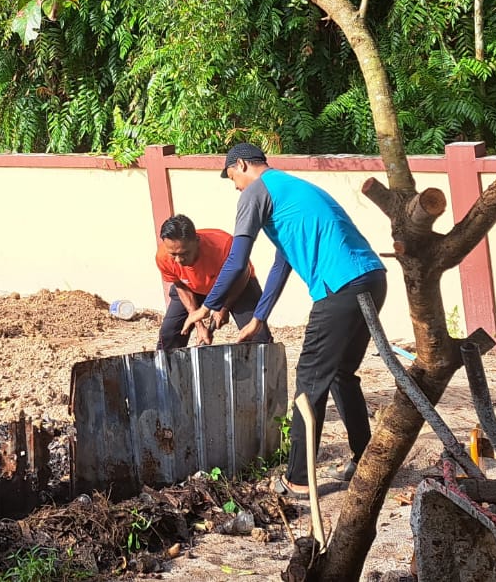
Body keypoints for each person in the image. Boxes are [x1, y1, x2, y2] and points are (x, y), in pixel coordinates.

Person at [182, 142, 388, 492]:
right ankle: (365, 458)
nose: (234, 185)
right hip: (371, 277)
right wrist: (259, 316)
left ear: (243, 165)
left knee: (310, 378)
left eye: (232, 176)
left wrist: (207, 304)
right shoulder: (292, 190)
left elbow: (236, 259)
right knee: (340, 374)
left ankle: (297, 479)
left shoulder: (256, 192)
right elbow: (283, 261)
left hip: (339, 286)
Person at [154, 214, 272, 349]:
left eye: (184, 253)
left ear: (197, 240)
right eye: (173, 255)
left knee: (258, 336)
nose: (178, 260)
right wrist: (198, 324)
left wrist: (224, 307)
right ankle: (170, 370)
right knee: (168, 334)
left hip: (236, 285)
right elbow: (180, 285)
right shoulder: (163, 256)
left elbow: (243, 274)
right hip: (191, 288)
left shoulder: (223, 245)